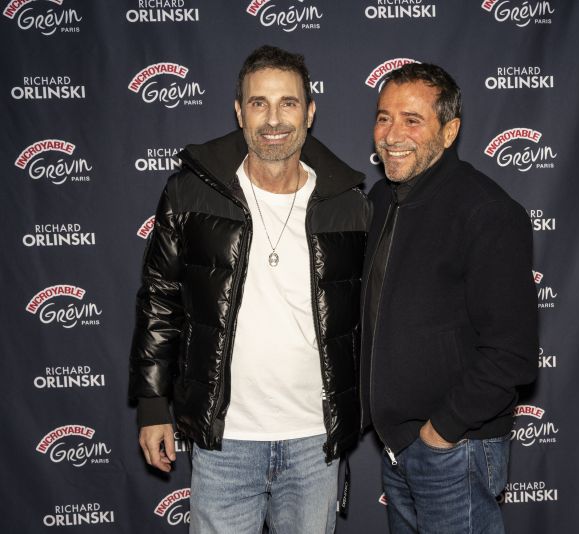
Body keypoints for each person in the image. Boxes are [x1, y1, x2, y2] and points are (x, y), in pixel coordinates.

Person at [128, 45, 370, 534]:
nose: (273, 119)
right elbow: (160, 299)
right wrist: (153, 405)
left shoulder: (348, 203)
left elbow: (366, 318)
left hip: (314, 441)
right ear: (240, 112)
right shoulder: (190, 193)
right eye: (259, 103)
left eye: (288, 103)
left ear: (310, 112)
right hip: (225, 441)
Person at [360, 63, 538, 533]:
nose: (392, 134)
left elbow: (512, 355)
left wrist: (441, 432)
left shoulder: (487, 211)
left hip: (454, 448)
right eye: (383, 117)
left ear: (449, 130)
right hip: (400, 446)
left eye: (412, 120)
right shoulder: (381, 200)